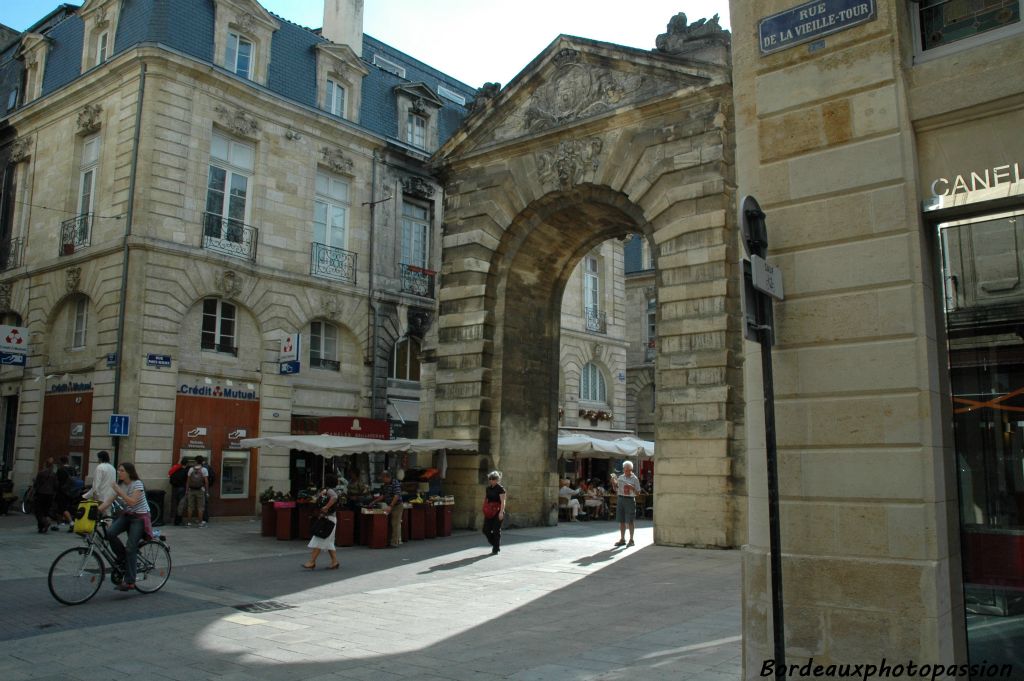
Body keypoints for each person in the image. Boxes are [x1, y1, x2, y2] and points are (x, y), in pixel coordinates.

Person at [99, 461, 151, 592]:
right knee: (110, 533)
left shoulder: (137, 484)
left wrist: (118, 491)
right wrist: (96, 510)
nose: (119, 472)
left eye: (122, 470)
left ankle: (130, 581)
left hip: (139, 518)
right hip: (127, 515)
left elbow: (132, 502)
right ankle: (123, 559)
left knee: (130, 548)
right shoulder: (121, 485)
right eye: (118, 470)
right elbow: (108, 501)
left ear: (129, 472)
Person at [303, 473, 340, 570]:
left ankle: (311, 562)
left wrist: (326, 507)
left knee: (320, 539)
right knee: (328, 542)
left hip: (329, 519)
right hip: (331, 519)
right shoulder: (331, 490)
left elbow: (334, 497)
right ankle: (334, 562)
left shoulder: (331, 491)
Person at [613, 460, 641, 547]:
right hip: (621, 498)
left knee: (630, 520)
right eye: (624, 469)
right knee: (621, 520)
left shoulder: (634, 479)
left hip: (630, 499)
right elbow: (616, 489)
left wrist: (632, 487)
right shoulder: (620, 477)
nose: (624, 470)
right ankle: (622, 539)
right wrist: (613, 483)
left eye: (626, 469)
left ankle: (631, 539)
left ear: (630, 469)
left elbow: (638, 493)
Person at [371, 470, 403, 548]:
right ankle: (391, 540)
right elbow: (383, 495)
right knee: (390, 523)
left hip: (396, 506)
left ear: (387, 477)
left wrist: (391, 506)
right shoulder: (385, 484)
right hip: (389, 505)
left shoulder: (395, 483)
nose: (382, 479)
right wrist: (374, 501)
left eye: (383, 478)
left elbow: (397, 495)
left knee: (395, 523)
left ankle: (395, 542)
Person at [482, 470, 506, 554]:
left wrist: (501, 512)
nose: (491, 480)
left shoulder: (500, 489)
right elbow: (487, 500)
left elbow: (503, 501)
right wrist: (485, 508)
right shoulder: (488, 488)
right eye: (490, 478)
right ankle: (496, 544)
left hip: (498, 511)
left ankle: (495, 549)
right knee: (485, 530)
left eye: (493, 479)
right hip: (489, 511)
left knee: (496, 530)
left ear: (497, 479)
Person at [32, 458, 58, 534]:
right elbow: (56, 485)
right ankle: (45, 523)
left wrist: (35, 490)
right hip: (50, 495)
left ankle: (43, 524)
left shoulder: (41, 473)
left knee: (39, 510)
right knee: (46, 511)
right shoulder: (53, 474)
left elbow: (36, 484)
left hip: (41, 493)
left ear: (45, 464)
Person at [183, 457, 208, 527]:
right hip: (200, 490)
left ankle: (188, 523)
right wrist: (207, 491)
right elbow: (206, 481)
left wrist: (186, 490)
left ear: (196, 461)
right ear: (202, 462)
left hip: (191, 490)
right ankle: (200, 523)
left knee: (190, 507)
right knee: (200, 507)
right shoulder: (204, 470)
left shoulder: (191, 469)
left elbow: (188, 481)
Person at [167, 457, 188, 525]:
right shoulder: (186, 471)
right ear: (186, 464)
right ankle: (178, 520)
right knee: (181, 505)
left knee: (177, 504)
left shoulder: (176, 470)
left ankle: (177, 520)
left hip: (175, 488)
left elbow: (171, 479)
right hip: (182, 489)